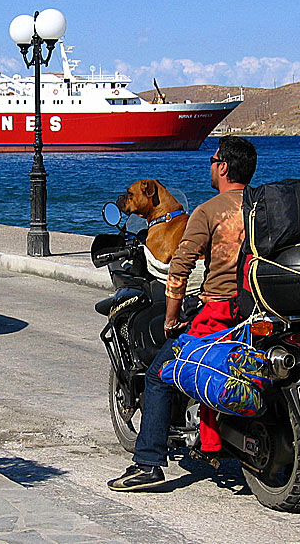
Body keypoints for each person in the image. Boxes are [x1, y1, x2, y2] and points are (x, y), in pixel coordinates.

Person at [108, 135, 258, 491]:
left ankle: (147, 464)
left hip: (221, 312)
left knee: (161, 376)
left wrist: (172, 316)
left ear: (222, 166)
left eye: (212, 160)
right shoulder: (264, 205)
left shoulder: (210, 211)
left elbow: (179, 270)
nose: (211, 166)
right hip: (260, 308)